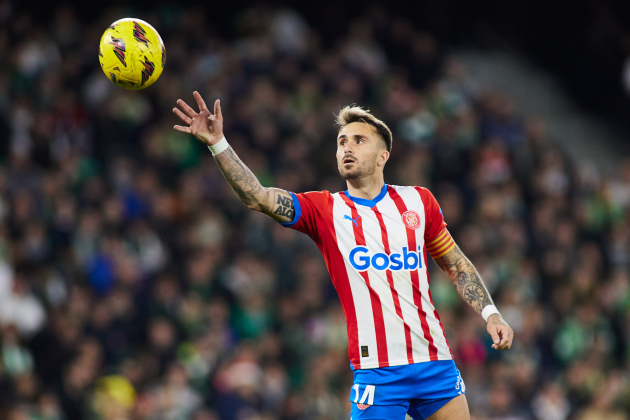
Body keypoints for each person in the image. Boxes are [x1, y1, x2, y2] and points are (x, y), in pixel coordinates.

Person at [173, 92, 514, 420]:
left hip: (435, 363)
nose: (346, 147)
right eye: (341, 142)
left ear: (383, 156)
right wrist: (218, 143)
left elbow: (454, 262)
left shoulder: (418, 202)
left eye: (358, 140)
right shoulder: (326, 209)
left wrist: (491, 314)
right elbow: (257, 197)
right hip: (378, 374)